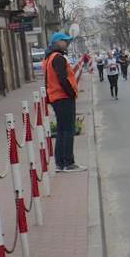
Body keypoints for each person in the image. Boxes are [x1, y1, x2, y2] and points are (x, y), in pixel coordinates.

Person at [42, 32, 86, 173]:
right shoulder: (58, 58)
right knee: (68, 130)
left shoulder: (49, 57)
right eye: (64, 41)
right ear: (57, 42)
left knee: (61, 130)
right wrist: (71, 93)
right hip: (63, 97)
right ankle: (68, 163)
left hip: (56, 97)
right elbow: (62, 78)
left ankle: (60, 163)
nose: (67, 43)